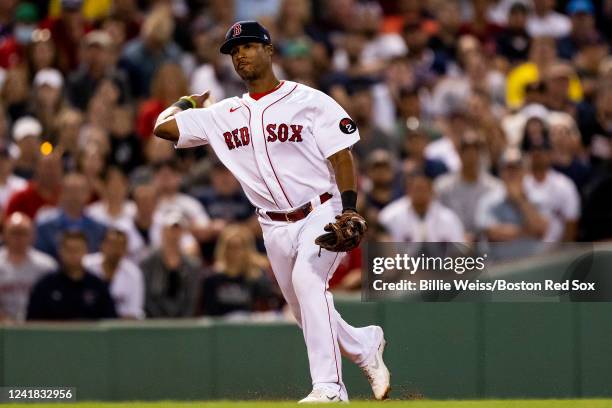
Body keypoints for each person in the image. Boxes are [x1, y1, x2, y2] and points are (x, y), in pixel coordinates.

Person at [152, 21, 390, 403]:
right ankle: (363, 343)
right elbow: (162, 128)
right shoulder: (223, 114)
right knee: (303, 309)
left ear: (269, 50)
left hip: (321, 210)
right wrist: (186, 102)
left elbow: (341, 155)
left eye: (247, 45)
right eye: (233, 51)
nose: (240, 54)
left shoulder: (310, 100)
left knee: (309, 282)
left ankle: (330, 388)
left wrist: (349, 209)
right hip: (272, 226)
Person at [26, 230, 117, 320]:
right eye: (69, 249)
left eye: (77, 249)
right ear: (60, 251)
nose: (73, 254)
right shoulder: (45, 286)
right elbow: (33, 321)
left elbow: (110, 320)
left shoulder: (97, 286)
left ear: (86, 251)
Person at [200, 224, 280, 316]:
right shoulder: (212, 279)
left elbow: (264, 310)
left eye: (238, 247)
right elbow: (208, 312)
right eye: (230, 247)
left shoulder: (257, 279)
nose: (234, 253)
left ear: (247, 249)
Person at [140, 212, 202, 318]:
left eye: (178, 230)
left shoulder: (192, 266)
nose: (174, 234)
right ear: (163, 232)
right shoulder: (147, 262)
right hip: (153, 323)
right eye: (171, 229)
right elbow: (146, 298)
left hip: (183, 325)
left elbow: (191, 299)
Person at [35, 172, 107, 259]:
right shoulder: (45, 228)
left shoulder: (99, 230)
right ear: (61, 193)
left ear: (88, 194)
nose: (74, 195)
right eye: (70, 190)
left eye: (79, 190)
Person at [0, 212, 57, 322]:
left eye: (23, 233)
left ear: (33, 235)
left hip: (37, 326)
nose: (18, 238)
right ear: (4, 234)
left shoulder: (47, 265)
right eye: (14, 233)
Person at [379, 170, 465, 242]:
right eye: (417, 189)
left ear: (431, 190)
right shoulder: (390, 216)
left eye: (424, 189)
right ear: (408, 190)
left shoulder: (448, 218)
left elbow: (458, 250)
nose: (420, 193)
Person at [83, 228, 144, 319]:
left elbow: (134, 312)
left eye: (121, 246)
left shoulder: (133, 273)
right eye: (112, 245)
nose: (116, 250)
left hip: (121, 328)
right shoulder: (86, 265)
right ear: (102, 245)